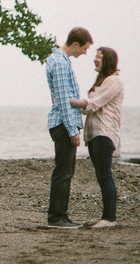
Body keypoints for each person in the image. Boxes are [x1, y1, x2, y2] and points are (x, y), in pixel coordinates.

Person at [71, 46, 124, 229]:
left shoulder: (115, 81)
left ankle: (109, 218)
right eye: (95, 56)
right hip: (93, 135)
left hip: (104, 133)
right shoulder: (101, 82)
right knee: (101, 176)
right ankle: (108, 217)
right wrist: (79, 104)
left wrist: (68, 101)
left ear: (107, 60)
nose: (94, 59)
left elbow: (94, 104)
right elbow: (87, 108)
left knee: (104, 175)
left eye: (98, 57)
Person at [44, 27, 91, 229]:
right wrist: (73, 130)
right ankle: (56, 218)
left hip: (61, 123)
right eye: (84, 48)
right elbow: (63, 100)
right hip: (63, 125)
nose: (85, 53)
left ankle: (60, 215)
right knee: (64, 172)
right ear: (75, 44)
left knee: (64, 171)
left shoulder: (56, 60)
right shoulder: (61, 63)